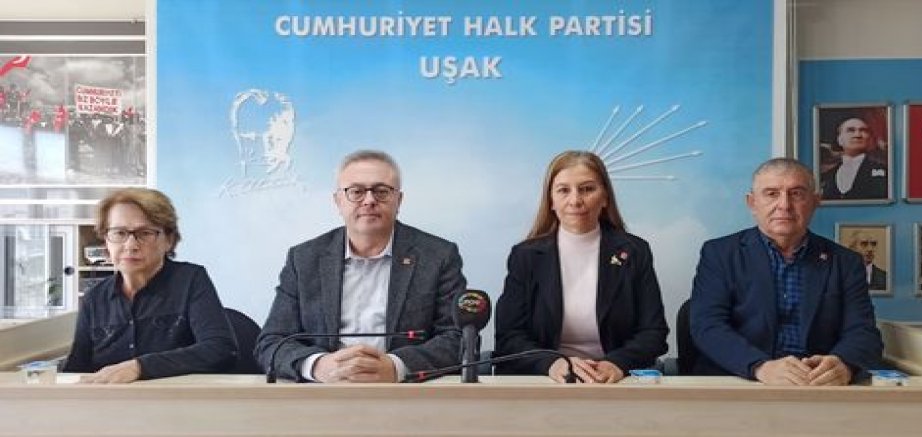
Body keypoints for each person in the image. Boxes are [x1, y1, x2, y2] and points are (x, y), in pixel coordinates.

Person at [255, 150, 465, 383]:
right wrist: (317, 365)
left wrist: (397, 367)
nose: (369, 200)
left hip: (405, 392)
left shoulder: (438, 256)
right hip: (323, 393)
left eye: (381, 191)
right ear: (338, 201)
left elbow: (458, 338)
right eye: (356, 191)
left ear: (399, 200)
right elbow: (271, 343)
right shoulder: (304, 259)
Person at [690, 158, 882, 385]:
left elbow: (863, 332)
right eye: (772, 194)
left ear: (815, 201)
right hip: (741, 381)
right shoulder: (719, 254)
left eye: (796, 194)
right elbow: (707, 326)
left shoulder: (845, 262)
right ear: (752, 203)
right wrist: (760, 366)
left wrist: (844, 364)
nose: (784, 205)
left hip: (817, 385)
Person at [494, 151, 669, 383]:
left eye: (587, 189)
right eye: (563, 190)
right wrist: (551, 363)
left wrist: (616, 363)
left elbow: (653, 333)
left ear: (605, 197)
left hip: (614, 380)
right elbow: (508, 336)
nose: (575, 200)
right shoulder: (525, 256)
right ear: (551, 201)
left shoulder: (635, 251)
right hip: (547, 380)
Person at [62, 188, 237, 383]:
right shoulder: (94, 299)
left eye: (145, 233)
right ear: (106, 242)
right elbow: (75, 369)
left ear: (169, 240)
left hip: (175, 399)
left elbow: (220, 349)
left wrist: (141, 367)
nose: (130, 245)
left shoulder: (190, 280)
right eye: (119, 233)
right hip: (113, 401)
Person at [820, 116, 888, 200]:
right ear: (839, 139)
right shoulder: (827, 176)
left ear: (869, 138)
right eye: (851, 130)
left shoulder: (884, 170)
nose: (857, 135)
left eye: (863, 130)